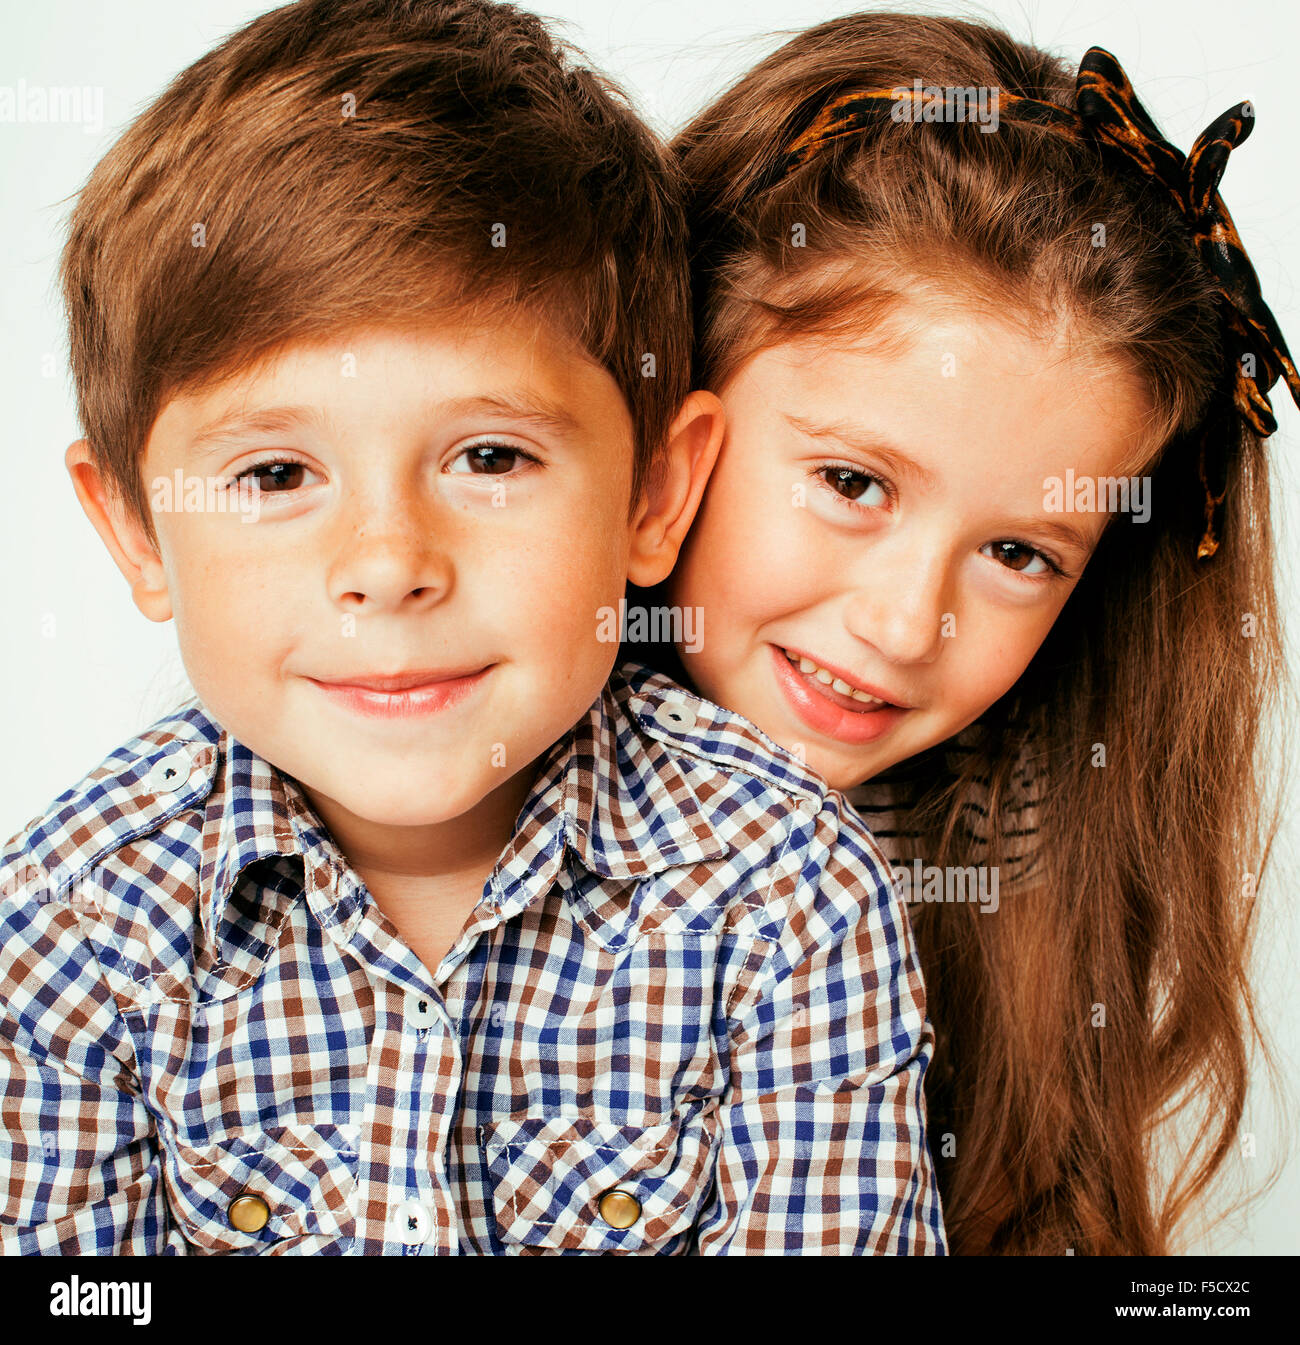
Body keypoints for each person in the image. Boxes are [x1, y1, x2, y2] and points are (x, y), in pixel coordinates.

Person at [0, 0, 944, 1255]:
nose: (387, 565)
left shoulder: (787, 901)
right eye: (276, 475)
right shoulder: (71, 926)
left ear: (654, 496)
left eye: (489, 454)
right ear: (132, 530)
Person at [626, 11, 1298, 1253]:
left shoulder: (1010, 879)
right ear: (672, 408)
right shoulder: (411, 779)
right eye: (850, 483)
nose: (899, 624)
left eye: (1015, 555)